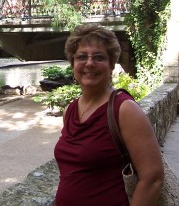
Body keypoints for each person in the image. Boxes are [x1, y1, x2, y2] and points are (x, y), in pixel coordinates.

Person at [54, 23, 164, 206]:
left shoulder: (124, 109)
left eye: (98, 57)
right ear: (73, 63)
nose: (89, 63)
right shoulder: (70, 110)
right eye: (81, 57)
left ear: (111, 64)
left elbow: (152, 178)